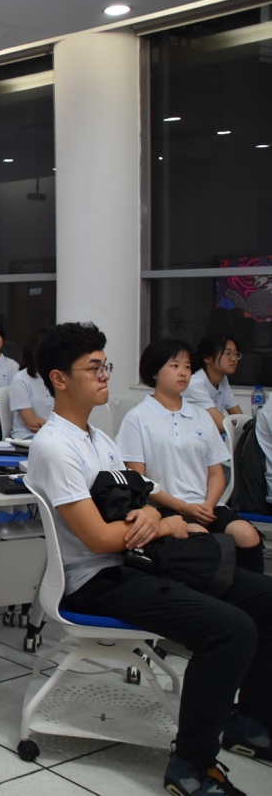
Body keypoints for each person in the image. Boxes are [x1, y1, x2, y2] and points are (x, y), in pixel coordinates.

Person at [29, 322, 272, 796]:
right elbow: (99, 539)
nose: (105, 376)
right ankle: (190, 766)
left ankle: (251, 722)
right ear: (59, 379)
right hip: (96, 580)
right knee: (231, 630)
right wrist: (164, 524)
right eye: (94, 368)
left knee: (266, 600)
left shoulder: (98, 439)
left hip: (138, 562)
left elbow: (136, 498)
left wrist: (151, 514)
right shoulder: (55, 447)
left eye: (105, 365)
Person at [116, 339, 263, 573]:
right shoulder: (137, 418)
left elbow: (216, 474)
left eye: (187, 366)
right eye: (175, 366)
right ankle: (221, 590)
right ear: (154, 371)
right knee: (200, 537)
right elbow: (139, 480)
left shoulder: (201, 416)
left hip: (204, 506)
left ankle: (252, 589)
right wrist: (183, 507)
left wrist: (209, 505)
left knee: (247, 534)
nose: (183, 372)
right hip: (163, 507)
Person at [184, 332, 244, 435]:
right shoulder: (194, 384)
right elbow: (222, 426)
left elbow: (241, 419)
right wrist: (236, 423)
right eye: (228, 354)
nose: (234, 359)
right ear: (207, 358)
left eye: (236, 354)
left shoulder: (223, 379)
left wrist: (239, 423)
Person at [8, 330, 53, 440]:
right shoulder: (20, 380)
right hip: (27, 437)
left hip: (53, 435)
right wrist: (58, 427)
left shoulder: (57, 377)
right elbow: (31, 423)